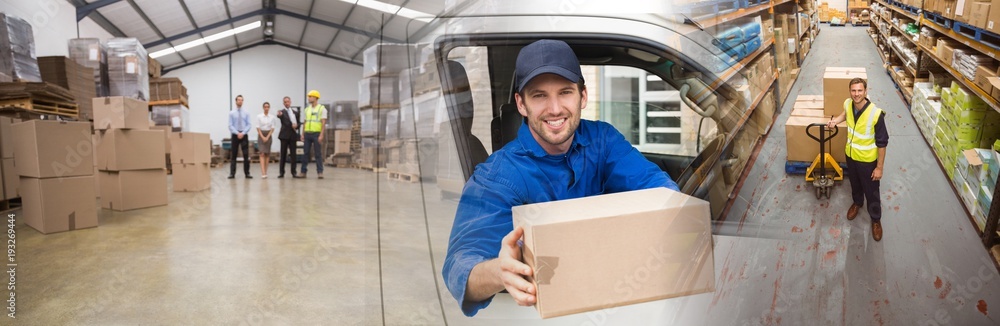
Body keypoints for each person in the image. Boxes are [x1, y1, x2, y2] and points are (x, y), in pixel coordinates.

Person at [441, 39, 680, 317]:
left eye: (565, 92)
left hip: (614, 300)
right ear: (521, 103)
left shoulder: (603, 140)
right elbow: (460, 268)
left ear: (583, 96)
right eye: (539, 95)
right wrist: (500, 271)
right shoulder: (499, 176)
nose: (554, 109)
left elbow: (663, 194)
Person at [827, 77, 888, 241]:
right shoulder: (848, 103)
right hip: (851, 156)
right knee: (855, 184)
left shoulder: (876, 114)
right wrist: (835, 122)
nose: (856, 94)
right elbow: (844, 115)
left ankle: (876, 219)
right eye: (853, 90)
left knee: (872, 191)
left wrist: (879, 167)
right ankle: (857, 202)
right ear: (850, 92)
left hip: (868, 161)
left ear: (866, 91)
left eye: (860, 90)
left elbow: (882, 143)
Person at [300, 90, 328, 179]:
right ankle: (303, 172)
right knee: (305, 153)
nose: (309, 98)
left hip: (316, 134)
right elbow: (304, 122)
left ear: (316, 98)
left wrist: (321, 135)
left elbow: (323, 123)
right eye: (308, 96)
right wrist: (302, 134)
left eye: (310, 96)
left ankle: (320, 172)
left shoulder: (322, 109)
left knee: (318, 154)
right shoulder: (307, 109)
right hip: (307, 134)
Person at [228, 94, 252, 179]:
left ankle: (247, 173)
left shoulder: (246, 113)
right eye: (238, 100)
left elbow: (249, 124)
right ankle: (232, 174)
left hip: (244, 135)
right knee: (233, 154)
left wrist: (243, 132)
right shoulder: (231, 113)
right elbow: (230, 125)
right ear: (236, 101)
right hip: (235, 135)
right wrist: (237, 133)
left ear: (243, 101)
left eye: (241, 100)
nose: (240, 101)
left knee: (246, 154)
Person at [276, 96, 300, 178]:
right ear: (283, 103)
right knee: (283, 154)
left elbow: (299, 124)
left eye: (288, 101)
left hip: (293, 136)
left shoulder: (295, 113)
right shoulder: (282, 112)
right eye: (285, 102)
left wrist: (296, 126)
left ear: (290, 102)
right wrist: (278, 115)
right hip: (284, 136)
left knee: (293, 155)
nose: (287, 103)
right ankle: (281, 172)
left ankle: (294, 172)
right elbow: (279, 115)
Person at [257, 101, 276, 178]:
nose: (266, 108)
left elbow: (272, 128)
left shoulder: (272, 117)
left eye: (268, 107)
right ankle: (263, 172)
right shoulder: (259, 116)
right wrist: (262, 137)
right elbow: (257, 127)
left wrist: (267, 137)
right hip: (261, 134)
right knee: (262, 153)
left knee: (267, 153)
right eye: (265, 107)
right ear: (263, 108)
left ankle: (266, 171)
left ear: (269, 108)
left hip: (269, 134)